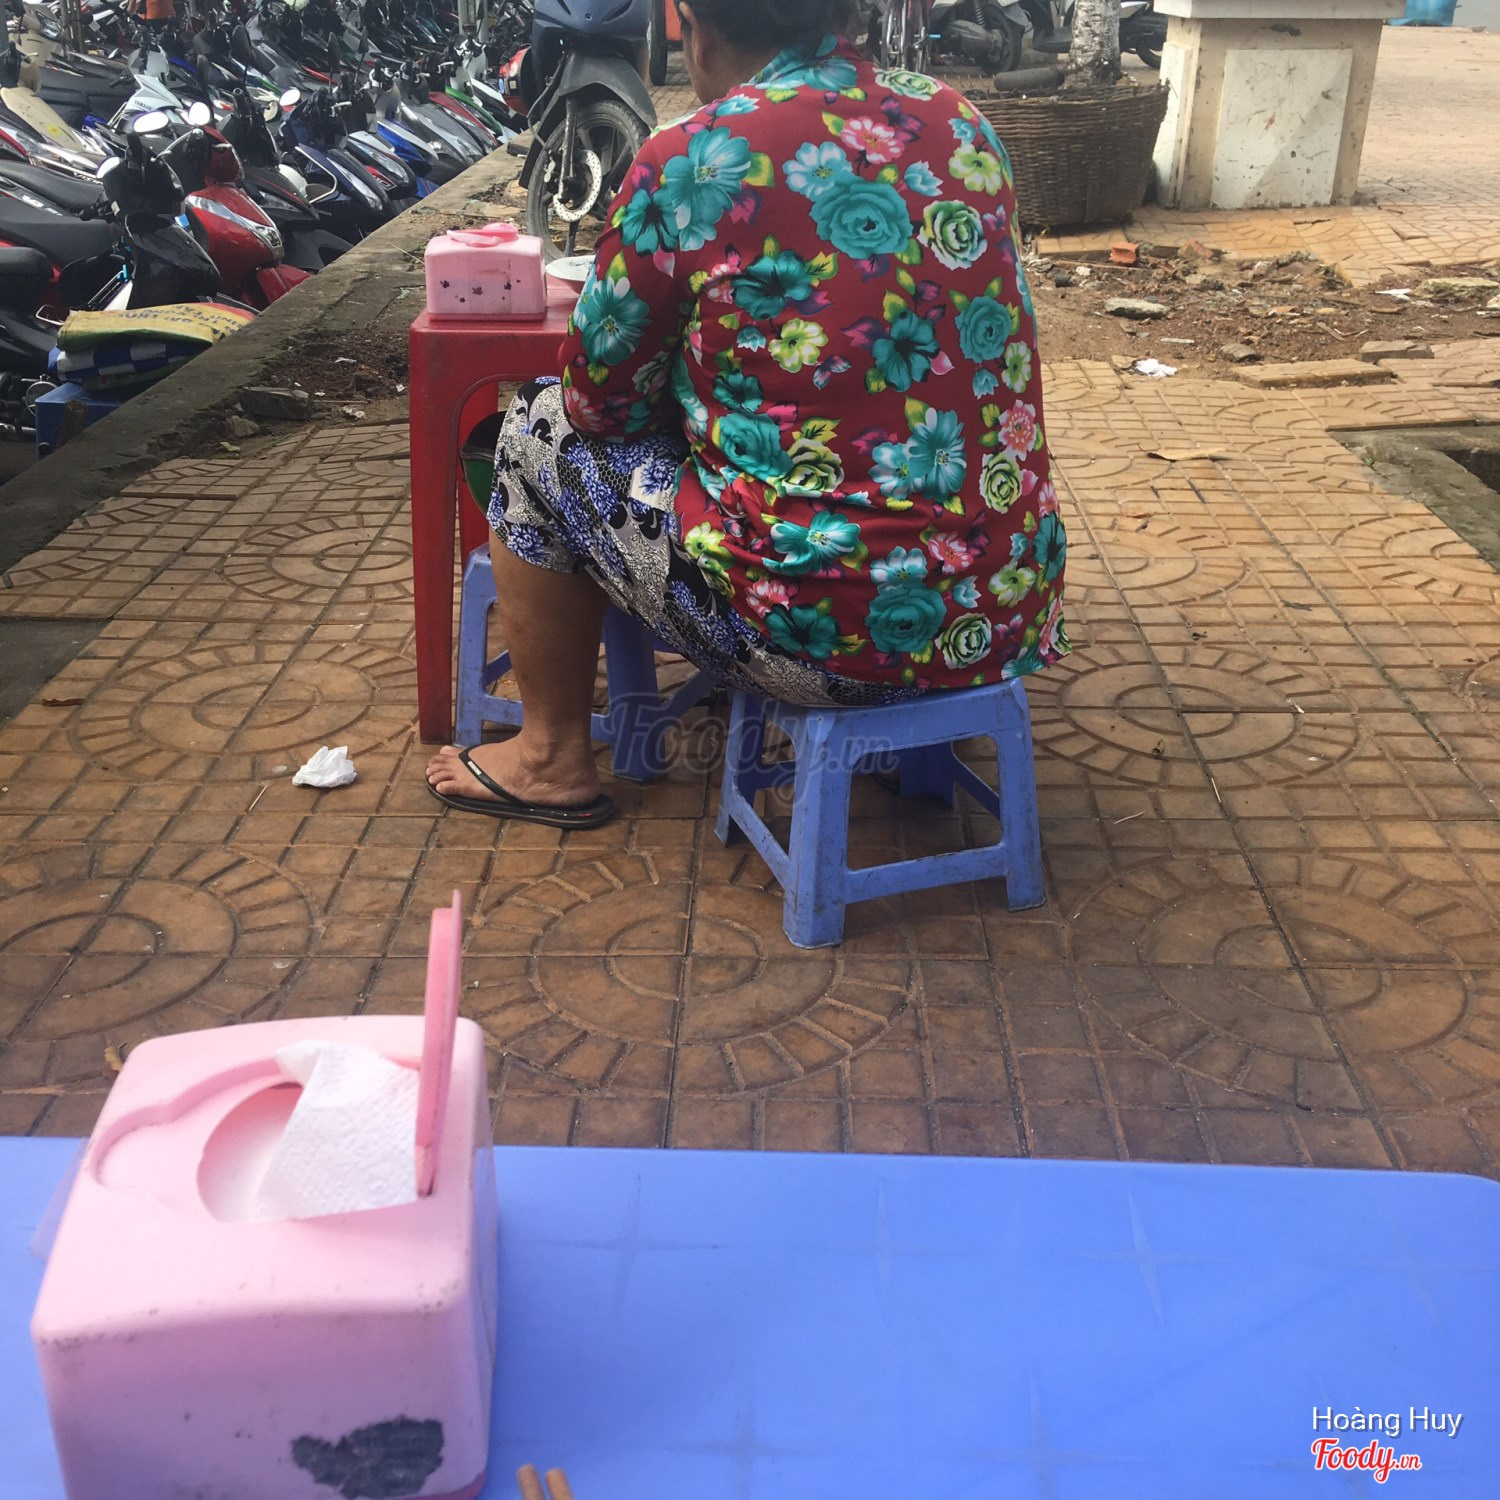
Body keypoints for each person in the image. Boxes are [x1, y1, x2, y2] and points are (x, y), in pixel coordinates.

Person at [426, 0, 1067, 826]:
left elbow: (596, 402)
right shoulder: (959, 122)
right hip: (1000, 610)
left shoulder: (694, 158)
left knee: (536, 426)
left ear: (693, 22)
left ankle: (549, 758)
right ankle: (922, 720)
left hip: (813, 638)